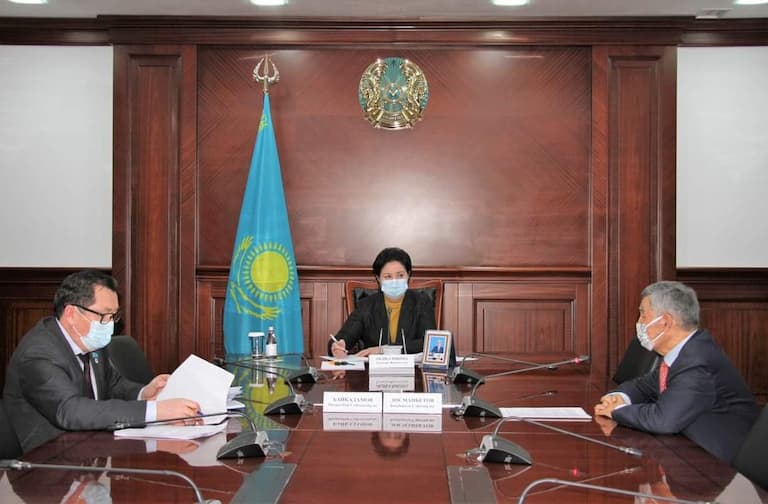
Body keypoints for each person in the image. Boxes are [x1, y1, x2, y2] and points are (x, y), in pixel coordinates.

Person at [3, 270, 201, 453]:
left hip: (91, 451)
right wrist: (156, 411)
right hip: (49, 462)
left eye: (113, 316)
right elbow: (70, 411)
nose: (110, 325)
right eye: (104, 316)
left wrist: (144, 393)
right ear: (71, 314)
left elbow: (113, 385)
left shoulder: (89, 342)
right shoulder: (39, 353)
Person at [594, 281, 759, 464]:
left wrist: (617, 410)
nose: (639, 322)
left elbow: (663, 419)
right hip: (688, 452)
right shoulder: (684, 352)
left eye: (643, 315)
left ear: (665, 322)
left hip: (718, 465)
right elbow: (644, 386)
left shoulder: (698, 361)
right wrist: (619, 397)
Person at [330, 247, 435, 357]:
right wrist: (337, 346)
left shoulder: (421, 302)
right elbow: (343, 337)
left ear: (408, 275)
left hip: (413, 367)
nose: (394, 281)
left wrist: (385, 350)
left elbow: (428, 342)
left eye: (400, 275)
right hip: (372, 367)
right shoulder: (366, 305)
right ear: (378, 278)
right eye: (388, 276)